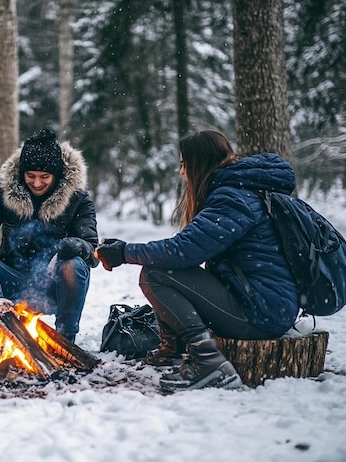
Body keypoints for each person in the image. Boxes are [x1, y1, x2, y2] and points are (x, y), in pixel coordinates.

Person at [95, 130, 299, 392]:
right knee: (162, 270)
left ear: (199, 163)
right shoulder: (238, 190)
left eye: (184, 164)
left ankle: (210, 364)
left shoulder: (233, 198)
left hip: (261, 313)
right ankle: (173, 349)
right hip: (262, 303)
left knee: (157, 274)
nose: (182, 172)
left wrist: (124, 253)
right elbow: (191, 247)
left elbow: (185, 250)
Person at [0, 128, 99, 342]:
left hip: (54, 286)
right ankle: (3, 334)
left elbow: (91, 247)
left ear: (56, 175)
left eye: (44, 177)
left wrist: (76, 245)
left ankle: (65, 342)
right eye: (31, 176)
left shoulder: (78, 199)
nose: (37, 183)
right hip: (13, 280)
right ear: (22, 173)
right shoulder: (3, 192)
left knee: (74, 264)